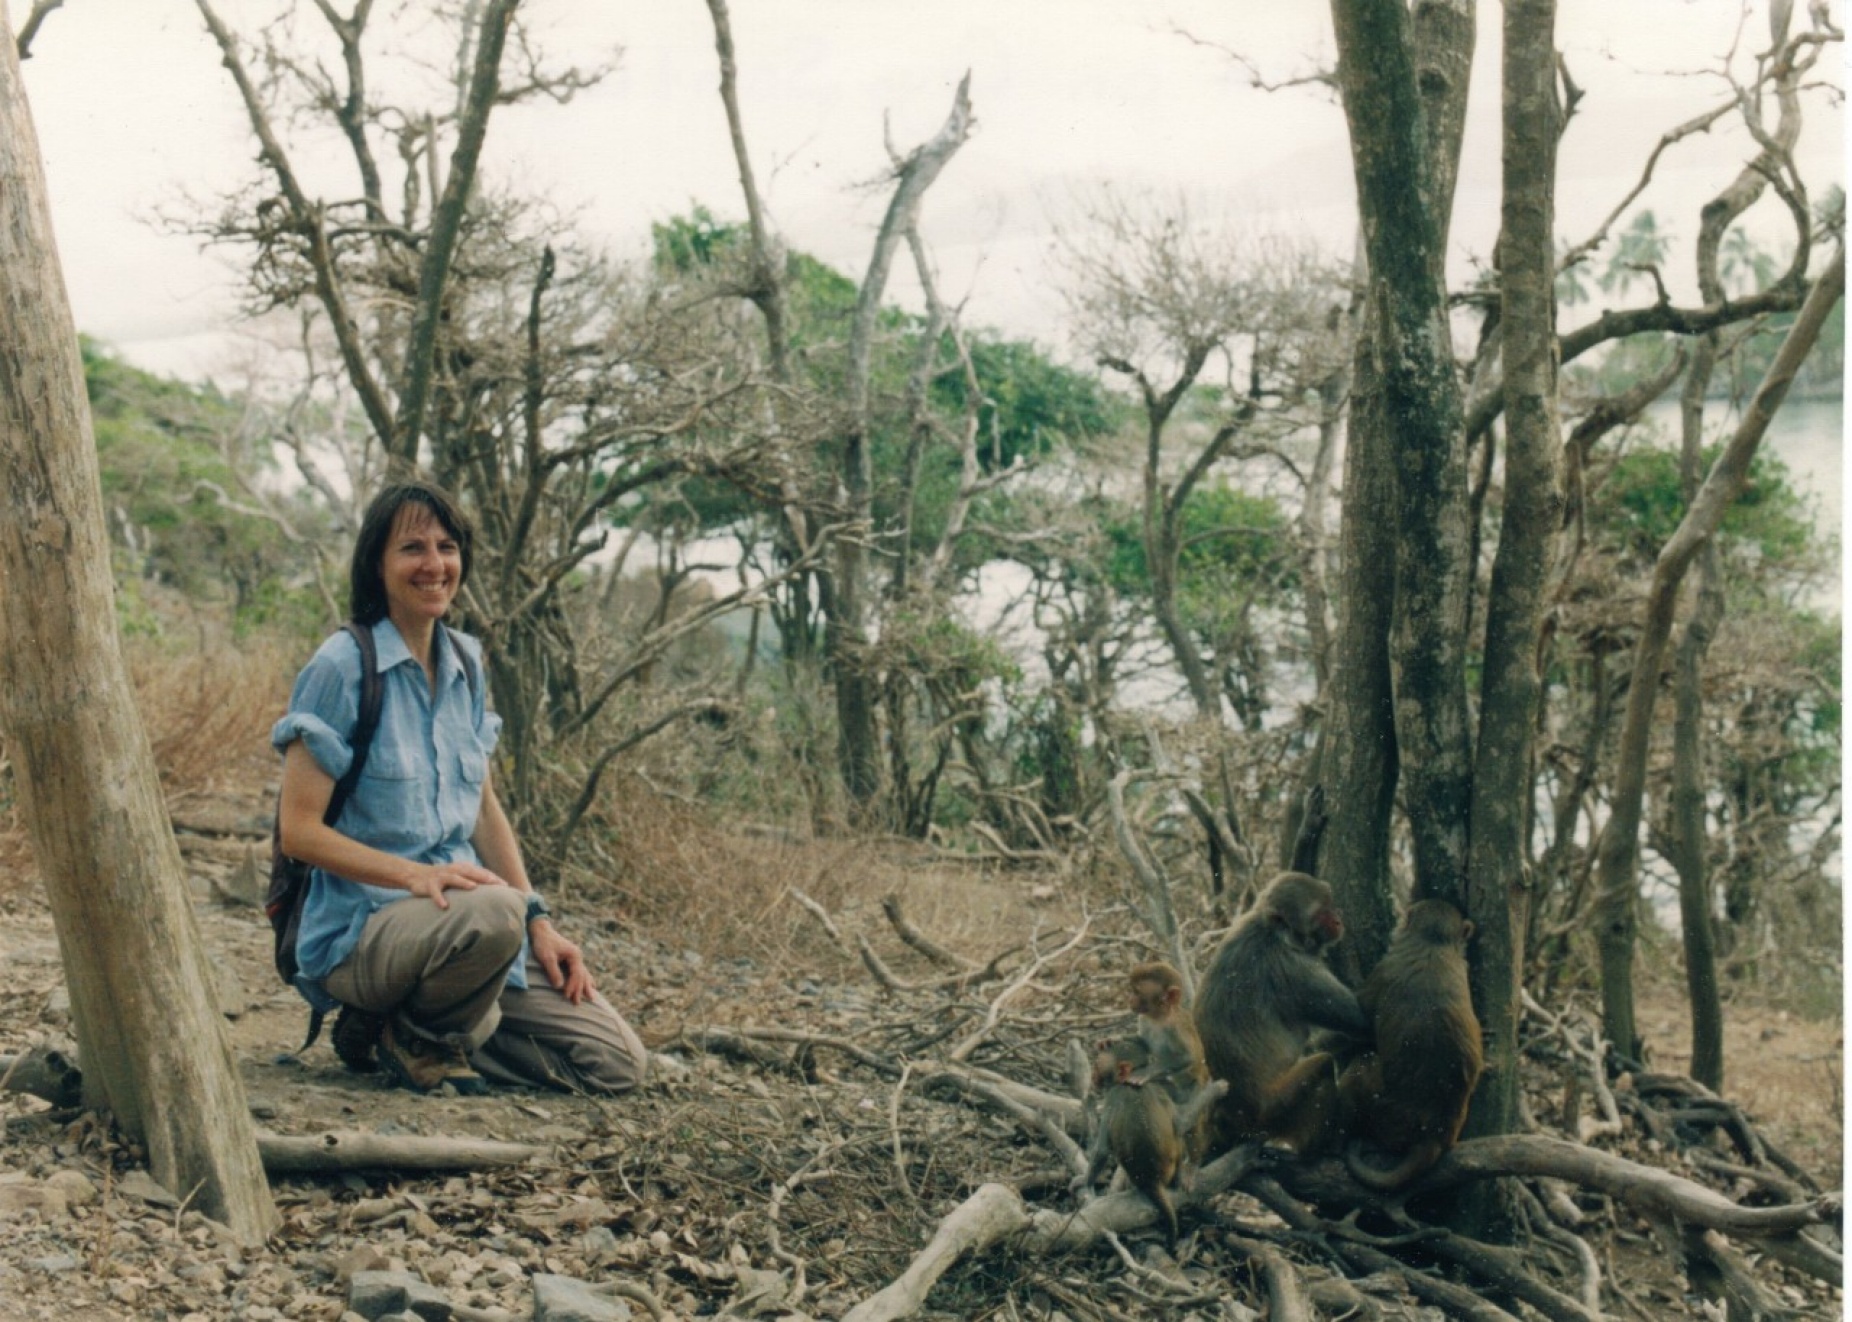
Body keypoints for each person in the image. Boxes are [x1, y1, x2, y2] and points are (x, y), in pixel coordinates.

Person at [272, 480, 648, 1096]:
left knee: (615, 1066)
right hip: (366, 930)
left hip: (474, 927)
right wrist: (414, 877)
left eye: (447, 547)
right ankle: (418, 1033)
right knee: (494, 909)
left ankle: (407, 1035)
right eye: (412, 548)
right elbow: (300, 831)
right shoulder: (341, 667)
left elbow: (483, 808)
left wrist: (539, 921)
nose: (434, 565)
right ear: (376, 562)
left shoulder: (467, 663)